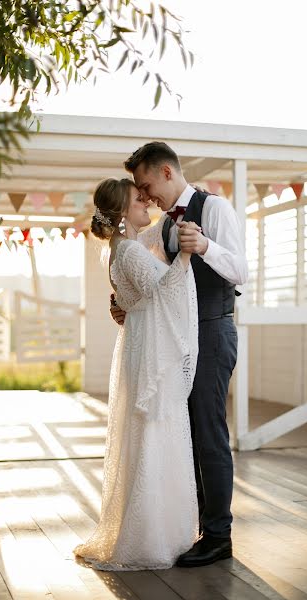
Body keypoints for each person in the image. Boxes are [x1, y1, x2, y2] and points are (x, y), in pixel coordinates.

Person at [111, 142, 248, 568]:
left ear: (167, 173)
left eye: (146, 184)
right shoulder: (161, 227)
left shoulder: (216, 209)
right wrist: (121, 302)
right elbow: (149, 277)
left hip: (212, 330)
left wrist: (206, 247)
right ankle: (200, 526)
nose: (145, 195)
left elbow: (243, 271)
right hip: (179, 338)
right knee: (187, 430)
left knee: (208, 431)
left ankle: (219, 535)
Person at [74, 177, 201, 570]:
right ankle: (150, 538)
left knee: (147, 432)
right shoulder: (128, 249)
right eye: (137, 199)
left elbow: (135, 298)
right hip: (148, 351)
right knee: (154, 431)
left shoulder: (117, 250)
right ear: (122, 211)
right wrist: (185, 255)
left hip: (138, 344)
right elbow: (163, 292)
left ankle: (154, 528)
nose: (145, 202)